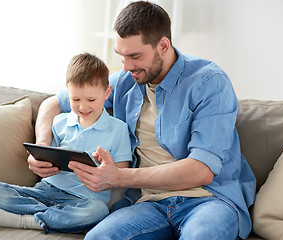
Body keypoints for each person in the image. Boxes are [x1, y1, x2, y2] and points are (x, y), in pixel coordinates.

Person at [28, 1, 256, 239]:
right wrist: (42, 148)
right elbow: (51, 103)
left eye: (135, 56)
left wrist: (117, 177)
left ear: (163, 46)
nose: (126, 66)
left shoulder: (210, 82)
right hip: (149, 204)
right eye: (121, 55)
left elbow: (202, 170)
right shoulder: (125, 81)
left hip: (208, 200)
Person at [0, 53, 132, 234]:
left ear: (107, 93)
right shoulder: (59, 122)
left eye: (91, 100)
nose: (83, 107)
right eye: (75, 100)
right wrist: (41, 161)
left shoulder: (119, 129)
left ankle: (26, 220)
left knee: (98, 211)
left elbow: (121, 173)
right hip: (44, 190)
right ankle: (52, 218)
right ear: (68, 94)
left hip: (84, 199)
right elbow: (49, 157)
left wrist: (104, 167)